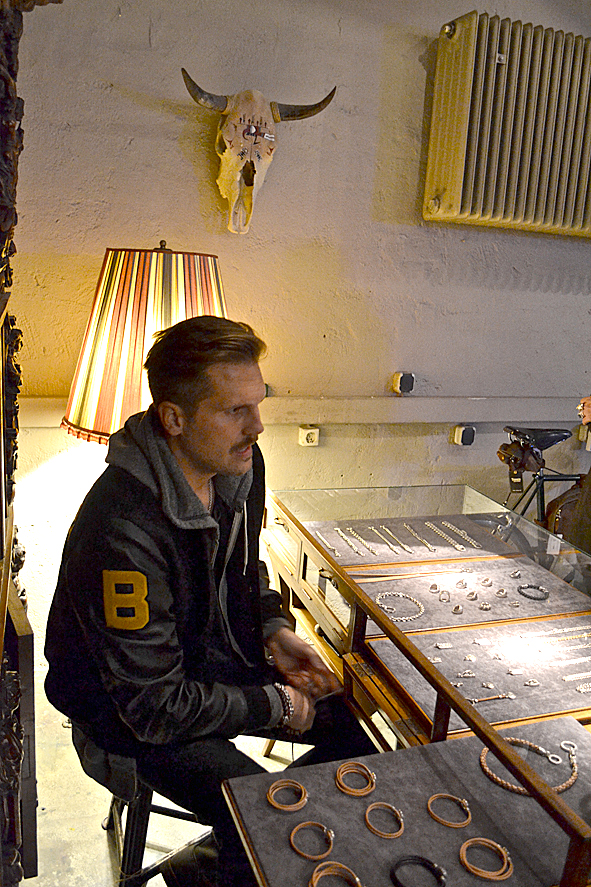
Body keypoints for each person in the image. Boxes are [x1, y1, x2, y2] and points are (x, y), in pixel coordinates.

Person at [44, 316, 375, 887]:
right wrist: (272, 704)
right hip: (129, 715)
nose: (257, 427)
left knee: (364, 736)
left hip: (203, 667)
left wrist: (272, 628)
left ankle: (217, 858)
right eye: (235, 411)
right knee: (270, 817)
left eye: (258, 403)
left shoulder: (237, 465)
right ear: (174, 418)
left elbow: (243, 569)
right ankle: (221, 863)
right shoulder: (122, 530)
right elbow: (153, 707)